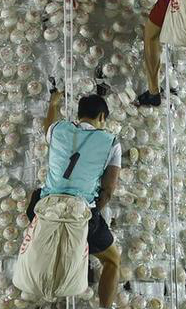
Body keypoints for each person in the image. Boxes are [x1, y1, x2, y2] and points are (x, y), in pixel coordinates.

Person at [26, 90, 122, 307]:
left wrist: (53, 103)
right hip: (79, 213)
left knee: (35, 200)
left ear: (79, 115)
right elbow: (108, 190)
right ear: (102, 117)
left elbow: (48, 124)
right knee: (113, 261)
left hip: (45, 209)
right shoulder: (111, 142)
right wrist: (92, 214)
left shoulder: (58, 129)